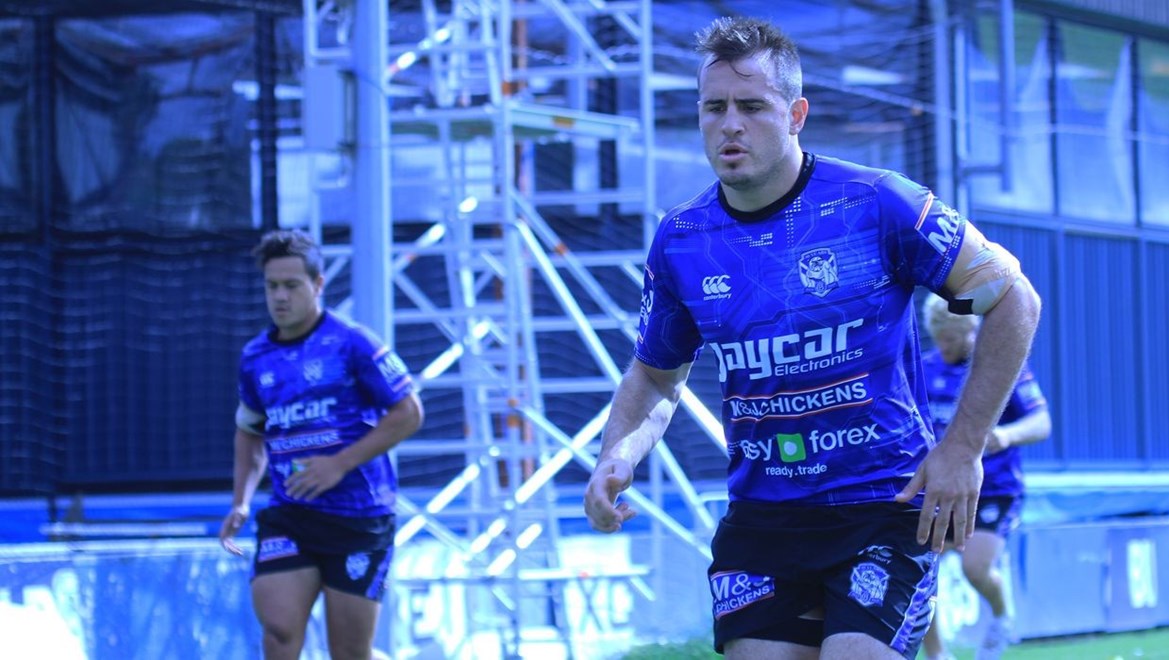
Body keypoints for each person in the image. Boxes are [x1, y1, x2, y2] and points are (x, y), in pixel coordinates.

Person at [582, 16, 1042, 660]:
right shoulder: (682, 238)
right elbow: (657, 374)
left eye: (752, 106)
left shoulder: (879, 202)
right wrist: (617, 455)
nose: (730, 124)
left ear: (796, 114)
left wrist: (962, 449)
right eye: (714, 107)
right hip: (764, 515)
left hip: (883, 503)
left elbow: (1014, 299)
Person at [218, 229, 424, 660]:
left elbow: (409, 412)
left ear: (317, 285)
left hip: (358, 516)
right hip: (291, 514)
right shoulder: (255, 357)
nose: (280, 297)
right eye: (272, 286)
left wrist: (339, 464)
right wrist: (240, 500)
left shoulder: (353, 342)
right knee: (279, 631)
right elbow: (250, 431)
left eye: (291, 285)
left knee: (348, 652)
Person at [918, 293, 1050, 660]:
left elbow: (1042, 423)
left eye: (951, 339)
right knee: (922, 572)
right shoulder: (924, 368)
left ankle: (1002, 616)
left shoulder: (999, 367)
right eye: (939, 339)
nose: (944, 347)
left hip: (994, 485)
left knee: (975, 568)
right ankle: (937, 654)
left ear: (970, 331)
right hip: (943, 487)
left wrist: (1006, 435)